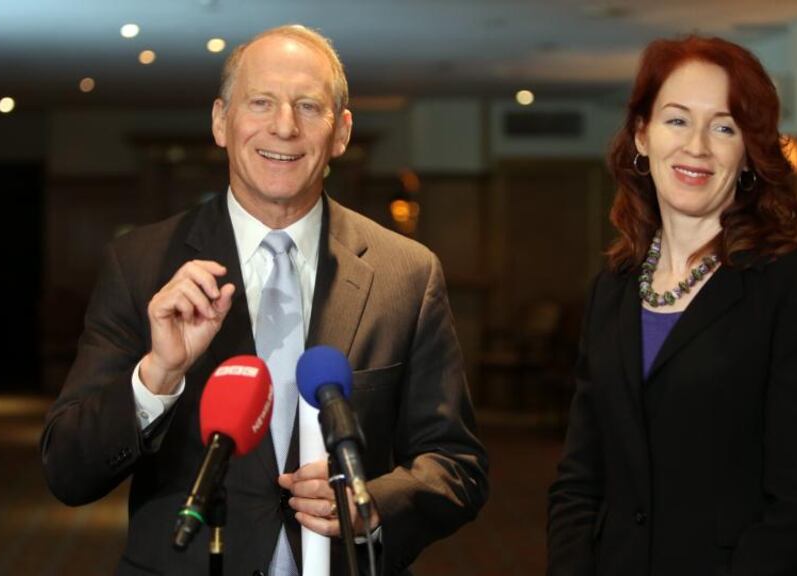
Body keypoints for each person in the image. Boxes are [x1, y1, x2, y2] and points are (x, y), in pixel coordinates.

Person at [41, 24, 488, 576]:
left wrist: (371, 506)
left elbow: (457, 464)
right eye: (261, 102)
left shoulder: (406, 274)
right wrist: (157, 375)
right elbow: (68, 472)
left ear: (341, 131)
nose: (284, 126)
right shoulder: (139, 264)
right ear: (220, 122)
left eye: (308, 106)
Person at [546, 35, 797, 576]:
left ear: (750, 152)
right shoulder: (611, 289)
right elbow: (579, 477)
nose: (697, 147)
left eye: (724, 127)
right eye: (677, 120)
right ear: (642, 134)